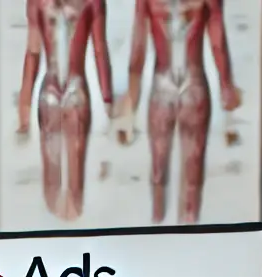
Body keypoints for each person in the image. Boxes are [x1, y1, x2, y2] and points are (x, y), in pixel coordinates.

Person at [113, 0, 243, 224]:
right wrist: (227, 93)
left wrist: (129, 110)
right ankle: (185, 235)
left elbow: (138, 50)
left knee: (158, 173)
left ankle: (158, 229)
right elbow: (217, 44)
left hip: (163, 84)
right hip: (193, 83)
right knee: (192, 177)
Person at [15, 0, 113, 221]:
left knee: (52, 177)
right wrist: (108, 101)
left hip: (49, 91)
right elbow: (99, 49)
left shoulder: (38, 3)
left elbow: (33, 53)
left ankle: (56, 236)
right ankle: (70, 233)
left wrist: (24, 109)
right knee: (75, 179)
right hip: (76, 90)